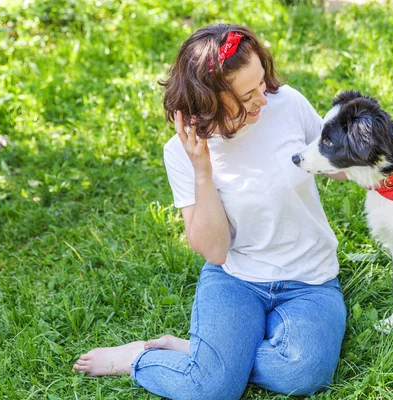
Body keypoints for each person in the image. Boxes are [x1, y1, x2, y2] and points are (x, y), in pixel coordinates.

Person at [72, 24, 347, 400]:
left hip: (310, 280)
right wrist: (202, 169)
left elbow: (339, 162)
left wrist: (389, 164)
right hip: (236, 280)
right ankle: (141, 357)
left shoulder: (288, 105)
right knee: (212, 391)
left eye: (262, 83)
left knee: (302, 372)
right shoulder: (180, 153)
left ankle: (199, 355)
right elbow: (215, 252)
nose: (262, 100)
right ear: (211, 101)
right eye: (247, 94)